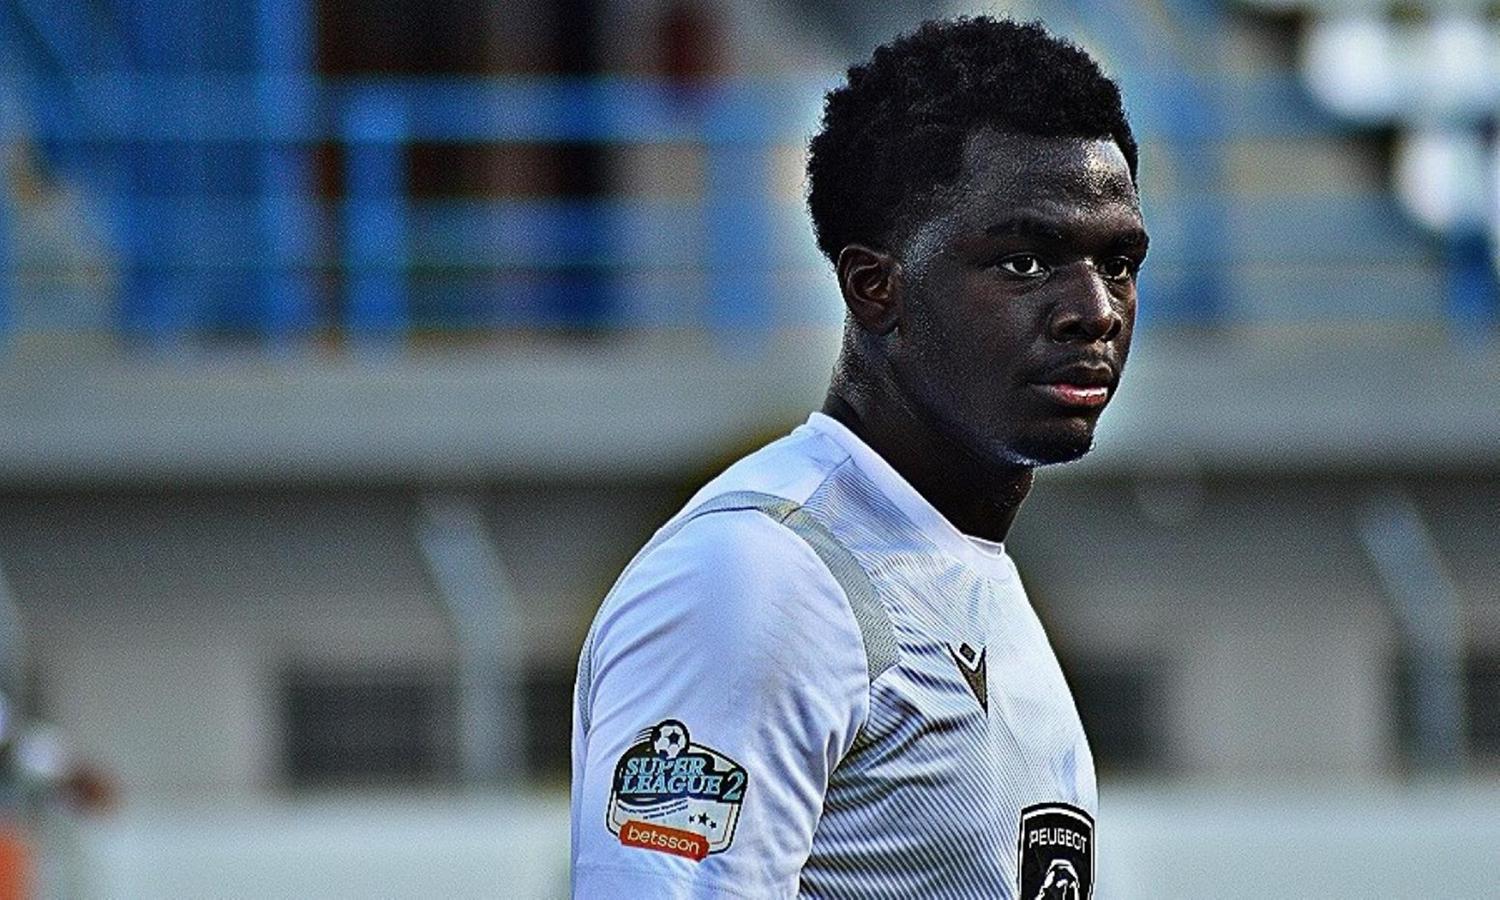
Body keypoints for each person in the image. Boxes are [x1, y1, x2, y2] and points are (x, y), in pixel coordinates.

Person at [571, 16, 1146, 899]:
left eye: (1119, 261)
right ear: (876, 288)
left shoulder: (959, 566)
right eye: (1026, 262)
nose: (1095, 310)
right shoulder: (758, 578)